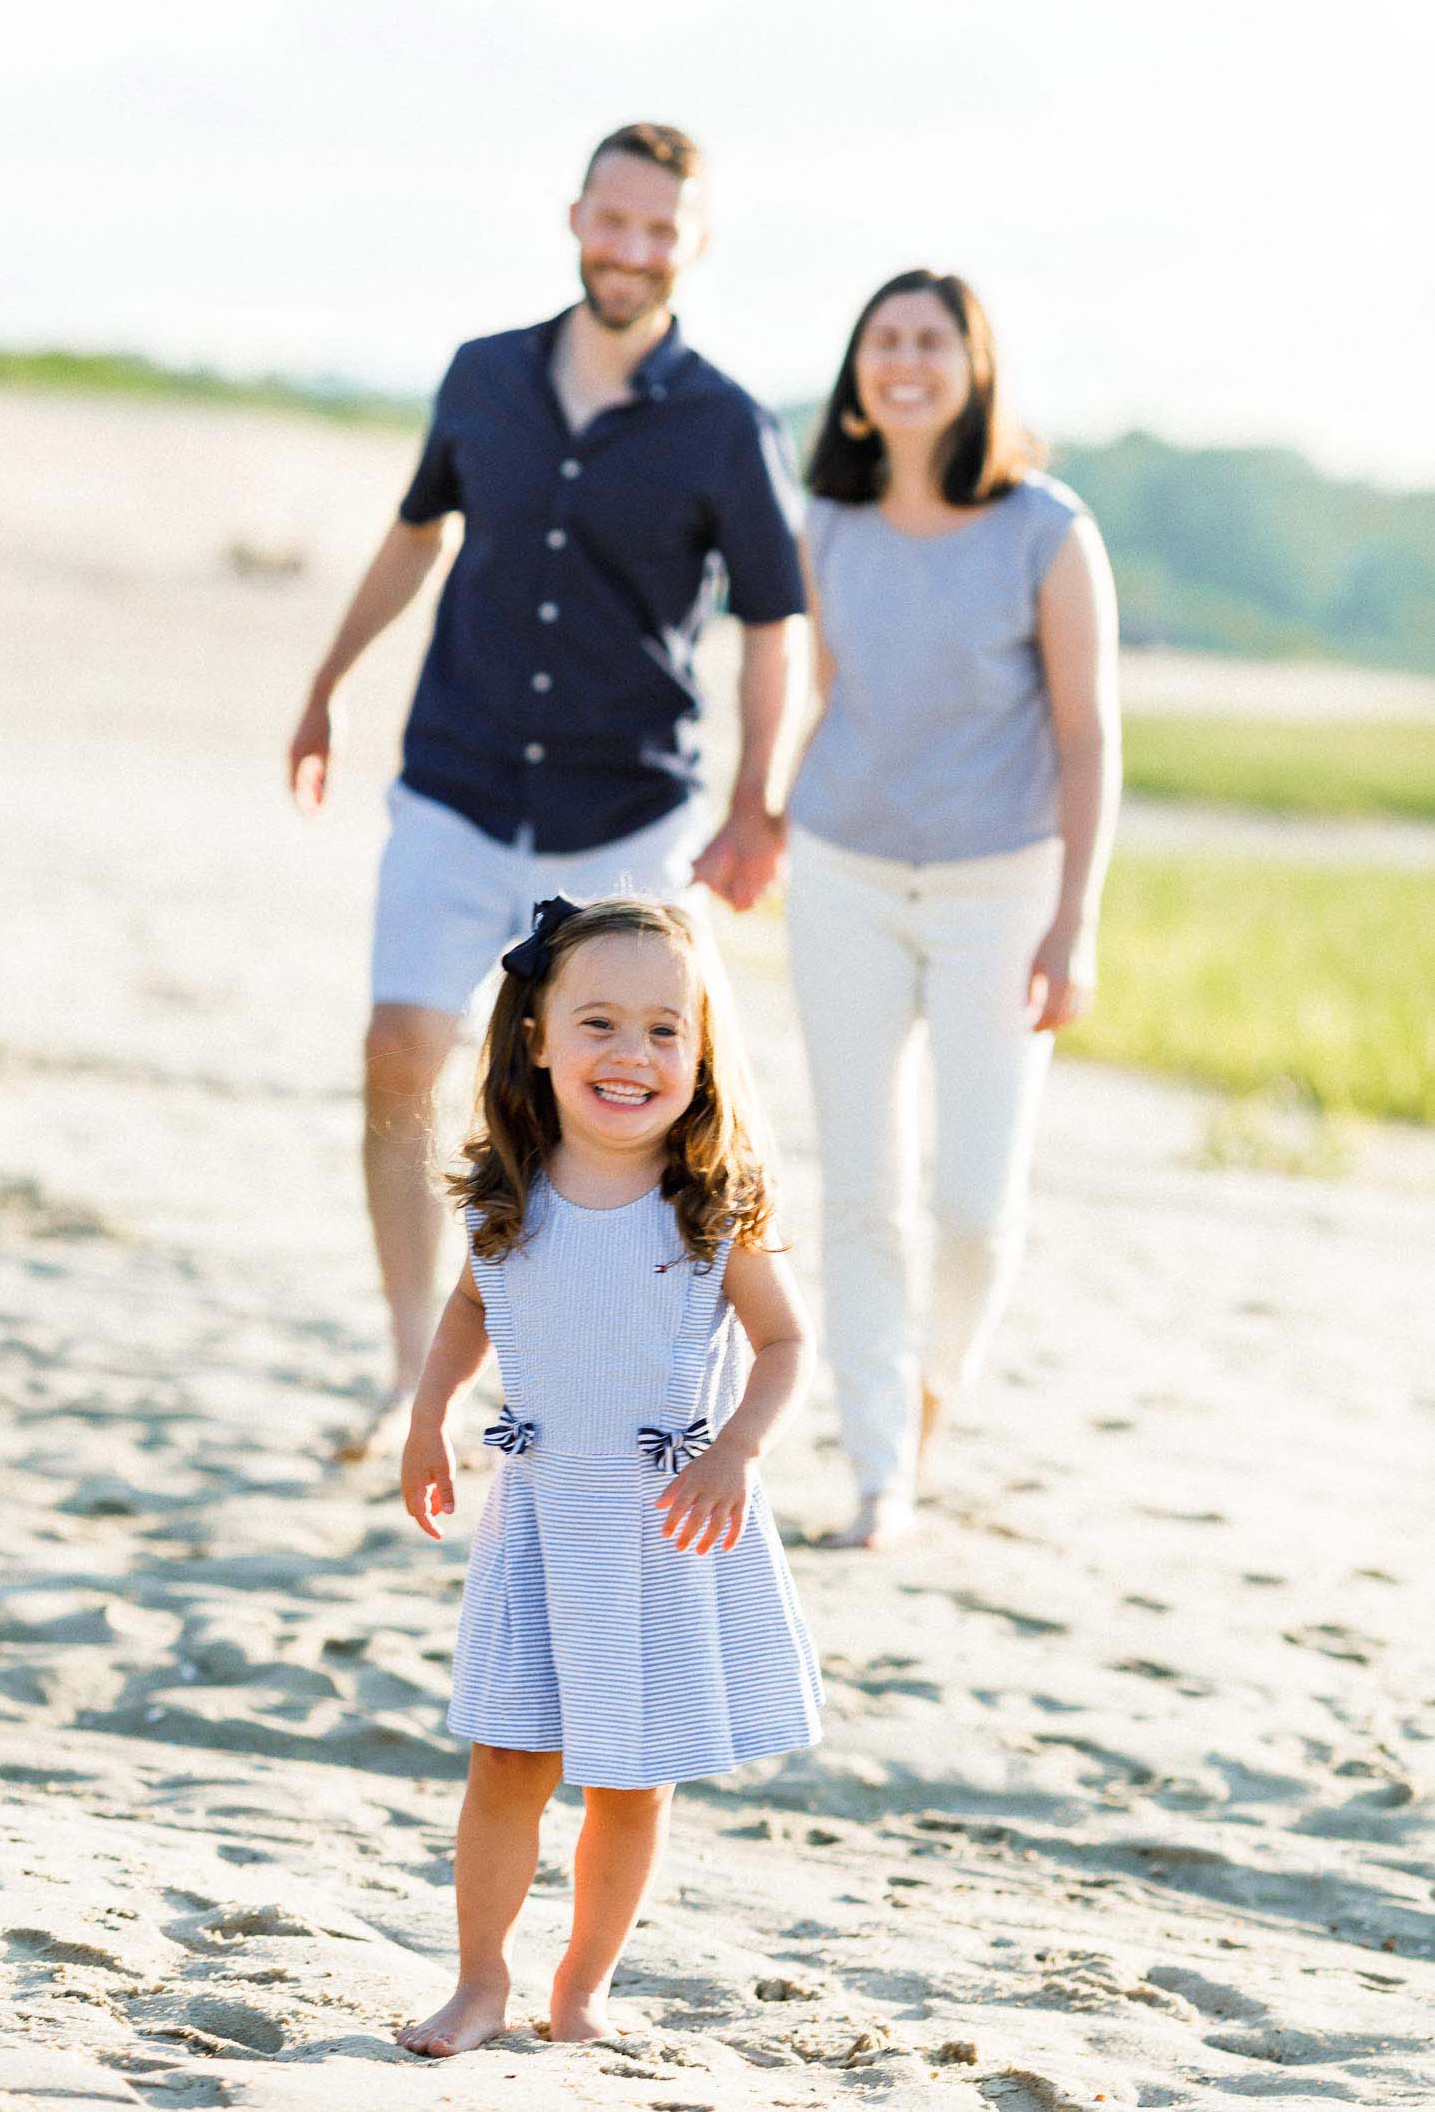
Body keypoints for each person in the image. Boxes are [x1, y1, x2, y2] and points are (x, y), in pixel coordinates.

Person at [286, 123, 806, 1455]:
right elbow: (418, 535)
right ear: (577, 217)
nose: (630, 250)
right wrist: (330, 678)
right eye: (612, 221)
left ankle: (634, 1370)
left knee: (633, 1094)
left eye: (659, 231)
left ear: (692, 246)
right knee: (400, 1051)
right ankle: (416, 1359)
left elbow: (773, 623)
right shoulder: (482, 377)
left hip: (625, 815)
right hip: (457, 782)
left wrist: (758, 803)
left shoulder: (725, 425)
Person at [396, 895, 821, 2055]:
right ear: (536, 1036)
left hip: (659, 1532)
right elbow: (469, 1312)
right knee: (506, 1764)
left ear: (702, 1055)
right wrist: (429, 1412)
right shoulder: (507, 1202)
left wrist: (735, 1449)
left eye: (663, 1031)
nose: (631, 1055)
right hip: (540, 1523)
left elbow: (787, 1347)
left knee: (632, 1782)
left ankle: (581, 1985)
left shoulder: (713, 1216)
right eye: (598, 1024)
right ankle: (481, 1980)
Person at [786, 269, 1121, 1549]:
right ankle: (880, 1469)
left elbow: (1090, 737)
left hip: (1004, 886)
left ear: (975, 367)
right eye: (883, 341)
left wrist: (1073, 916)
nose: (905, 362)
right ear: (858, 374)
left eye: (931, 341)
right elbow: (830, 696)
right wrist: (763, 810)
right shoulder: (830, 522)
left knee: (976, 1206)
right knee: (863, 1186)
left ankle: (935, 1388)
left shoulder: (1046, 527)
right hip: (846, 876)